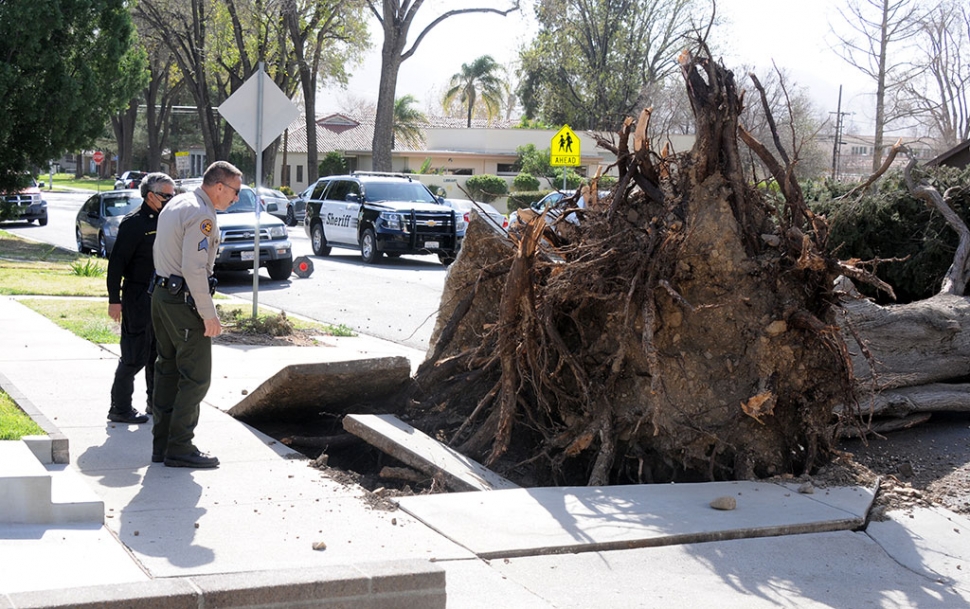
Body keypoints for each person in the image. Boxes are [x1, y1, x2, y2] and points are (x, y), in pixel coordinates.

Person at [150, 161, 241, 468]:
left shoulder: (178, 201)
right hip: (183, 302)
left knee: (168, 370)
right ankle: (180, 446)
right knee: (197, 378)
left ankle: (162, 444)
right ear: (219, 187)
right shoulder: (202, 214)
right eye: (235, 192)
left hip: (162, 296)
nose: (236, 198)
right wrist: (209, 314)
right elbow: (193, 268)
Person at [106, 172, 176, 424]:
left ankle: (155, 403)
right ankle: (120, 408)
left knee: (157, 354)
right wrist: (115, 299)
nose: (170, 199)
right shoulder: (133, 223)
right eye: (165, 195)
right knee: (135, 354)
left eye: (173, 195)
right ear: (150, 196)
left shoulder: (168, 220)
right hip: (137, 295)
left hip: (161, 295)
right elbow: (116, 265)